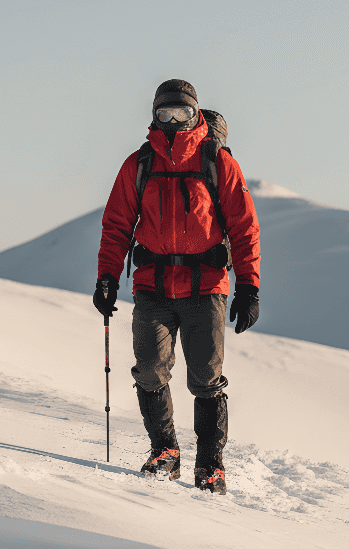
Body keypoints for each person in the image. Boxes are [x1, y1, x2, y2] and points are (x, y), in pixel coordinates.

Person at [92, 79, 260, 494]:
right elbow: (116, 225)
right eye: (164, 114)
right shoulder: (139, 164)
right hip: (152, 285)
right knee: (149, 370)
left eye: (181, 114)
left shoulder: (217, 162)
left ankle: (211, 466)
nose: (172, 122)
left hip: (207, 287)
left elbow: (244, 227)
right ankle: (165, 451)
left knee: (205, 378)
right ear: (153, 116)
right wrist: (108, 278)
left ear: (195, 114)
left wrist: (249, 287)